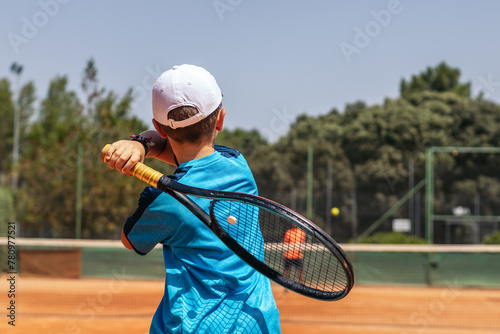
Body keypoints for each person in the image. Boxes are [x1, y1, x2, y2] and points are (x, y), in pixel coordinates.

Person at [103, 64, 281, 334]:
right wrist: (140, 145)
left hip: (194, 327)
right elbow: (185, 156)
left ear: (159, 127)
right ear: (220, 119)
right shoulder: (237, 164)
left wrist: (139, 143)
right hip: (257, 324)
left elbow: (130, 240)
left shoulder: (163, 199)